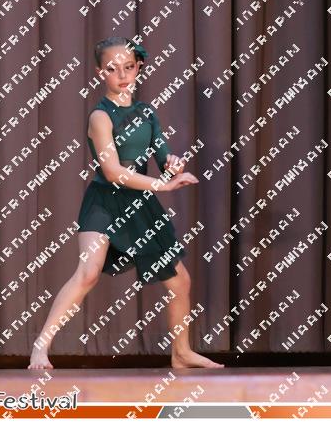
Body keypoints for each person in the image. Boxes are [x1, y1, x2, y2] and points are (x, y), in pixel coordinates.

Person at [28, 36, 224, 370]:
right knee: (88, 272)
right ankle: (39, 348)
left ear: (139, 68)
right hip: (105, 202)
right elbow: (113, 172)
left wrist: (173, 165)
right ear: (100, 73)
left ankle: (181, 353)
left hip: (140, 203)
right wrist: (162, 185)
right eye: (112, 69)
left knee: (180, 281)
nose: (122, 75)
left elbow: (163, 158)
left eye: (129, 67)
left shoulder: (147, 112)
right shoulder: (100, 117)